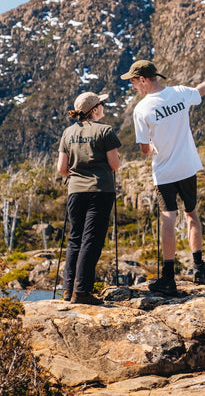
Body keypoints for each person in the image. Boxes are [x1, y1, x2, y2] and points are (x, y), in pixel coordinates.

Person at [121, 60, 205, 296]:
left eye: (133, 82)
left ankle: (168, 277)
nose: (133, 87)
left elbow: (144, 149)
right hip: (188, 167)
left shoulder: (141, 110)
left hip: (164, 172)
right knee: (191, 214)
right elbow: (199, 91)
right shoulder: (181, 93)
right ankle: (199, 270)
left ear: (143, 80)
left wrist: (153, 146)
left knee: (168, 219)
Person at [57, 91, 121, 305]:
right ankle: (82, 291)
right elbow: (115, 165)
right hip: (100, 190)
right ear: (94, 110)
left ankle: (68, 289)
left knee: (75, 238)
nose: (104, 107)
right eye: (102, 104)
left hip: (75, 191)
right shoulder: (106, 131)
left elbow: (61, 168)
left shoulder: (68, 132)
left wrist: (77, 175)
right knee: (91, 240)